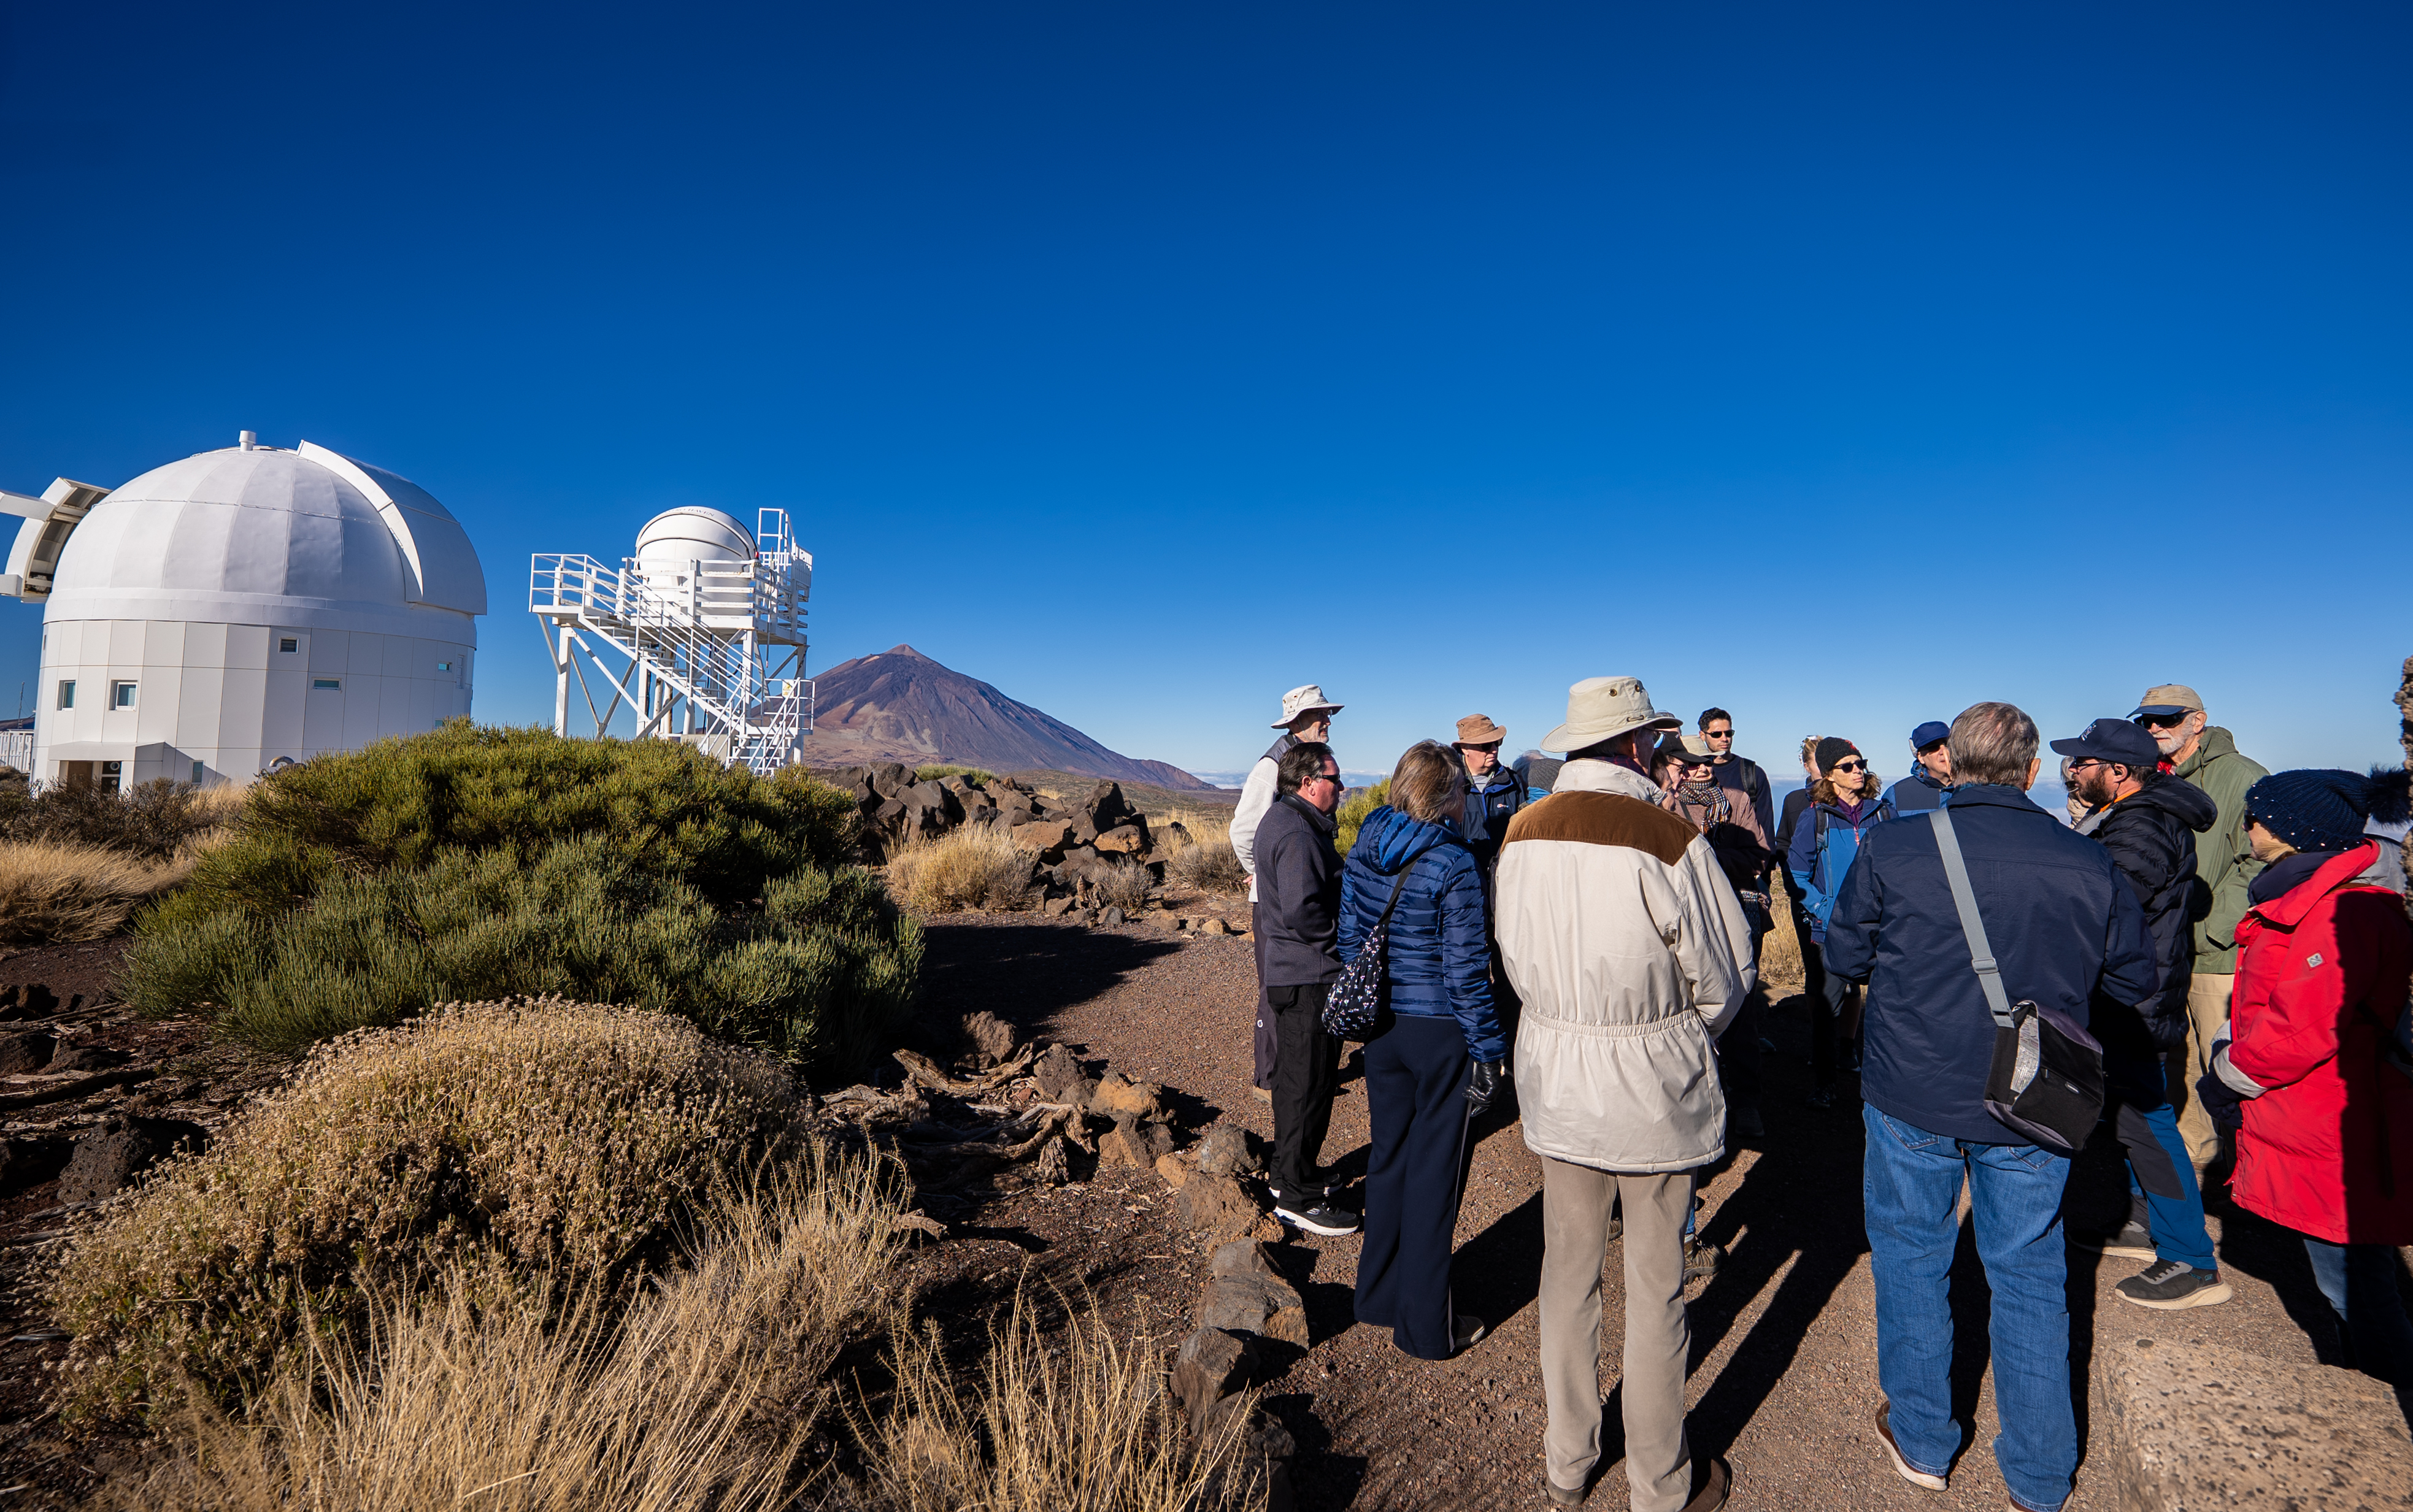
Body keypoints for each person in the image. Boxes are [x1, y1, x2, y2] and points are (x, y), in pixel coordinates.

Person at [1825, 703, 2156, 1512]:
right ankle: (2039, 1473)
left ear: (1951, 767)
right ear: (2033, 771)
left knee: (1910, 1257)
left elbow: (1843, 953)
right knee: (2032, 1274)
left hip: (1913, 1086)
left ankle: (1926, 1439)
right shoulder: (2087, 861)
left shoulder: (1894, 845)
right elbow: (2134, 981)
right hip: (2036, 1093)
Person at [1497, 676, 1750, 1512]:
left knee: (1566, 1277)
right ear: (1638, 745)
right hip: (1652, 1096)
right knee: (1655, 1286)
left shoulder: (1521, 829)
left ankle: (1567, 1462)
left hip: (1557, 1084)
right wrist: (1675, 1038)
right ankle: (1658, 1482)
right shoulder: (1668, 836)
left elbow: (1511, 953)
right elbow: (1727, 978)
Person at [2199, 767, 2413, 1387]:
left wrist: (2228, 1075)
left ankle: (2380, 1402)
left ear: (2297, 828)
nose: (2249, 826)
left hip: (2331, 1116)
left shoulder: (2342, 911)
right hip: (2317, 1111)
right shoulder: (2315, 897)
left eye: (2258, 816)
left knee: (2353, 1277)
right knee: (2351, 1267)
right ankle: (2361, 1378)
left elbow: (2301, 1025)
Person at [1340, 740, 1507, 1362]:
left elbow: (1351, 937)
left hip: (1382, 1028)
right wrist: (1490, 1050)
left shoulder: (1367, 844)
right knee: (1435, 1175)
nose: (1467, 800)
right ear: (1446, 795)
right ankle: (1426, 1327)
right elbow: (1466, 970)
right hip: (1438, 1032)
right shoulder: (1454, 862)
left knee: (1389, 1160)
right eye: (1461, 790)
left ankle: (1376, 1295)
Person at [2054, 718, 2228, 1309]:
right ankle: (2142, 1221)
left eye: (2083, 764)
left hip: (2132, 1001)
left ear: (2119, 772)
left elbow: (2100, 910)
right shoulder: (2138, 818)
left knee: (2146, 1119)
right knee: (2134, 1117)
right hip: (2137, 994)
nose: (2073, 772)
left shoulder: (2140, 829)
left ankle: (2191, 1258)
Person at [2132, 683, 2268, 1177]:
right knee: (2175, 1061)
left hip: (2215, 954)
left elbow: (2258, 862)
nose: (2153, 729)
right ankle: (2193, 1167)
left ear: (2197, 720)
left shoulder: (2244, 776)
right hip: (2167, 949)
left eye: (2165, 719)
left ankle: (2242, 1176)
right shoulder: (2154, 778)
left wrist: (2212, 929)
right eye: (2145, 721)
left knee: (2220, 1065)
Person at [1252, 740, 1356, 1236]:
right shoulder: (1295, 832)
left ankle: (1290, 1174)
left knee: (1298, 1083)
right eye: (1334, 779)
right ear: (1308, 782)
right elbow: (1301, 911)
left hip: (1293, 973)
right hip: (1308, 976)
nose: (1341, 787)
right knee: (1308, 1086)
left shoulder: (1285, 819)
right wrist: (1342, 945)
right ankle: (1297, 1196)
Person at [1232, 685, 1343, 1100]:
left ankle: (1298, 1070)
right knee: (1276, 982)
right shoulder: (1272, 764)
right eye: (1320, 715)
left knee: (1299, 983)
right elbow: (1244, 828)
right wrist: (1262, 870)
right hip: (1277, 898)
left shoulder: (1301, 759)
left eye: (1327, 714)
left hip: (1290, 890)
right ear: (1297, 721)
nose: (1327, 721)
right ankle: (1270, 1075)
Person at [1662, 736, 1774, 1141]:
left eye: (1706, 761)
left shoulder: (1735, 800)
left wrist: (1704, 857)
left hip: (1729, 911)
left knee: (1738, 1005)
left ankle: (1746, 1102)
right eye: (1690, 764)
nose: (1702, 769)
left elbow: (1758, 853)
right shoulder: (1663, 802)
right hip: (1682, 915)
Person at [1785, 736, 1893, 1106]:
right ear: (1829, 775)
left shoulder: (1882, 813)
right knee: (1829, 1007)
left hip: (1881, 928)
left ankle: (1881, 1087)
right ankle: (1825, 1084)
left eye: (1860, 763)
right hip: (1832, 929)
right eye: (1847, 767)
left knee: (1885, 1007)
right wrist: (1830, 912)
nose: (1858, 770)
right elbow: (1797, 877)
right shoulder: (1814, 817)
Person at [1775, 737, 1829, 1013]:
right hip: (1804, 897)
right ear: (1805, 765)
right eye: (1817, 761)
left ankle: (1845, 1046)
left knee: (1847, 974)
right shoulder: (1795, 801)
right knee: (1813, 967)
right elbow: (1782, 843)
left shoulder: (1850, 801)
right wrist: (1792, 886)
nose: (1822, 767)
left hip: (1840, 896)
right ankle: (1819, 1038)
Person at [1453, 713, 1526, 876]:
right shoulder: (1450, 786)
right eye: (1485, 745)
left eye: (1497, 743)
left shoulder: (1513, 781)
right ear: (1465, 749)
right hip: (1466, 879)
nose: (1494, 749)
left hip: (1508, 876)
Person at [1698, 707, 1774, 848]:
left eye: (1728, 733)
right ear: (1702, 736)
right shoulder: (1696, 773)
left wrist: (1766, 865)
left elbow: (1766, 826)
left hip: (1745, 864)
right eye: (1716, 734)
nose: (1724, 738)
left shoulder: (1753, 774)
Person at [1884, 721, 1953, 815]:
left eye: (1947, 744)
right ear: (1920, 757)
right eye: (1934, 747)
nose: (1943, 751)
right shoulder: (1897, 796)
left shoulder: (1974, 787)